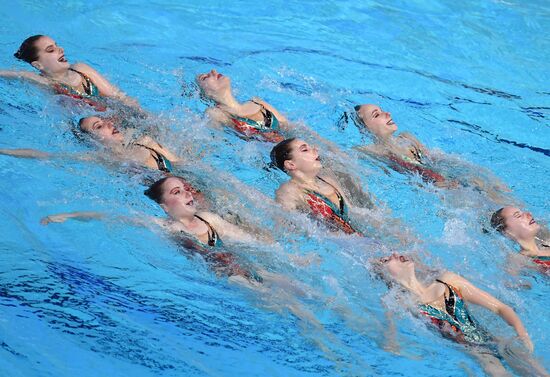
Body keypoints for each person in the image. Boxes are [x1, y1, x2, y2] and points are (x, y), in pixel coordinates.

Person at [376, 253, 547, 377]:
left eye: (394, 252)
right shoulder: (400, 302)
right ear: (383, 273)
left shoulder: (448, 280)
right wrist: (393, 346)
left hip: (497, 341)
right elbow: (391, 335)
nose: (395, 254)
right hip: (477, 352)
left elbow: (500, 308)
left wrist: (522, 333)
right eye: (386, 259)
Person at [353, 104, 511, 198]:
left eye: (382, 110)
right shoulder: (371, 151)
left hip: (448, 178)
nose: (387, 113)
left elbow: (440, 159)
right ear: (365, 128)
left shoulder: (407, 138)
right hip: (435, 189)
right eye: (377, 115)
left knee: (484, 184)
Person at [0, 35, 140, 111]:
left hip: (114, 116)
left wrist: (140, 112)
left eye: (57, 45)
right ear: (38, 65)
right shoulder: (46, 82)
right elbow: (19, 74)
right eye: (51, 50)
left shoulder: (81, 69)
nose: (60, 49)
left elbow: (116, 95)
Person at [270, 138, 371, 235]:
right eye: (305, 150)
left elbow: (352, 212)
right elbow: (283, 228)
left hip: (357, 238)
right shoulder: (289, 191)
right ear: (291, 164)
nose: (315, 149)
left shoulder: (328, 181)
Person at [195, 69, 289, 143]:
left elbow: (290, 127)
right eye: (205, 77)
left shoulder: (257, 102)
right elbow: (212, 143)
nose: (213, 71)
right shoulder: (217, 114)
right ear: (205, 93)